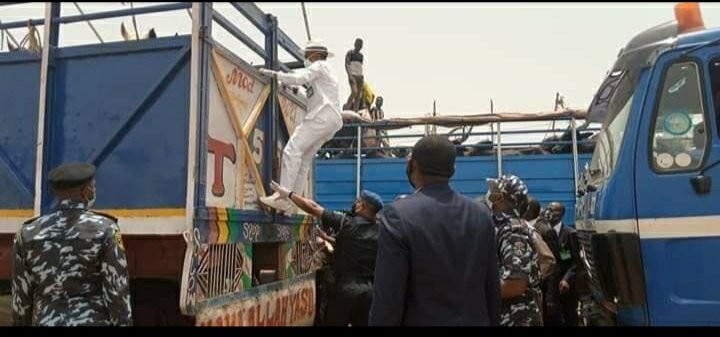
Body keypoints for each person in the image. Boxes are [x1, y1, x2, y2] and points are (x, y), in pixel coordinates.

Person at [369, 135, 499, 326]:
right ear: (453, 170)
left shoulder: (398, 214)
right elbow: (492, 290)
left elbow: (388, 297)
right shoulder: (481, 214)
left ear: (412, 165)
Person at [12, 163, 131, 326]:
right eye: (93, 186)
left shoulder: (28, 233)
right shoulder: (105, 230)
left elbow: (21, 298)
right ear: (86, 192)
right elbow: (117, 292)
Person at [270, 181, 382, 326]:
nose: (355, 204)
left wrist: (290, 194)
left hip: (346, 289)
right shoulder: (381, 231)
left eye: (359, 201)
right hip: (369, 292)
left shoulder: (346, 223)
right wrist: (326, 238)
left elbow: (313, 207)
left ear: (364, 206)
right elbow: (350, 246)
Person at [259, 40, 344, 214]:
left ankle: (282, 197)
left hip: (323, 116)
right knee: (304, 159)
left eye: (306, 55)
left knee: (292, 150)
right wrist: (294, 90)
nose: (305, 58)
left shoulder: (320, 65)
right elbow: (311, 98)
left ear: (315, 55)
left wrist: (275, 75)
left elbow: (299, 78)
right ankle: (293, 201)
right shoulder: (325, 76)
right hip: (331, 120)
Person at [485, 174, 543, 326]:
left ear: (501, 197)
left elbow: (515, 285)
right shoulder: (501, 226)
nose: (490, 195)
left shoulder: (512, 231)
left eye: (494, 192)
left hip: (517, 319)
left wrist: (476, 288)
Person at [538, 202, 580, 326]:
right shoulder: (543, 232)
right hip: (549, 286)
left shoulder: (569, 233)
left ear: (560, 214)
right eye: (547, 209)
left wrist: (566, 279)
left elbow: (575, 262)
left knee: (569, 316)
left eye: (552, 210)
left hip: (565, 286)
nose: (547, 213)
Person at [344, 38, 364, 112]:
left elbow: (360, 66)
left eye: (361, 45)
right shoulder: (350, 53)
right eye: (358, 44)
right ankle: (346, 108)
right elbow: (347, 64)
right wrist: (349, 75)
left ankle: (356, 111)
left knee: (358, 96)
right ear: (355, 44)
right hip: (353, 75)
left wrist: (362, 76)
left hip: (360, 76)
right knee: (354, 92)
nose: (359, 46)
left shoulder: (361, 56)